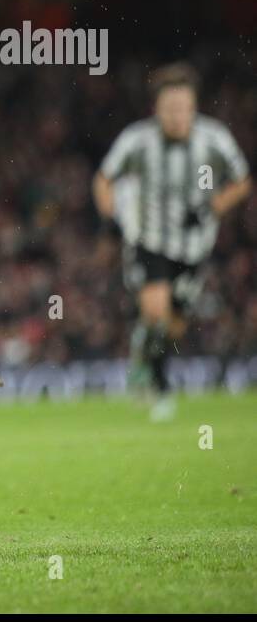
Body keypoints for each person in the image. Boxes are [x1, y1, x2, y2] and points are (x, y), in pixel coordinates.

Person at [93, 62, 251, 420]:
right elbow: (103, 178)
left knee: (175, 325)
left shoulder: (215, 139)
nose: (178, 116)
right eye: (170, 109)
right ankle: (161, 389)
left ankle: (144, 349)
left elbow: (242, 181)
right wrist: (110, 221)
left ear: (194, 107)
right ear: (156, 109)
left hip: (194, 247)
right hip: (149, 240)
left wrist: (213, 206)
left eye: (184, 108)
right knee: (155, 310)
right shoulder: (137, 140)